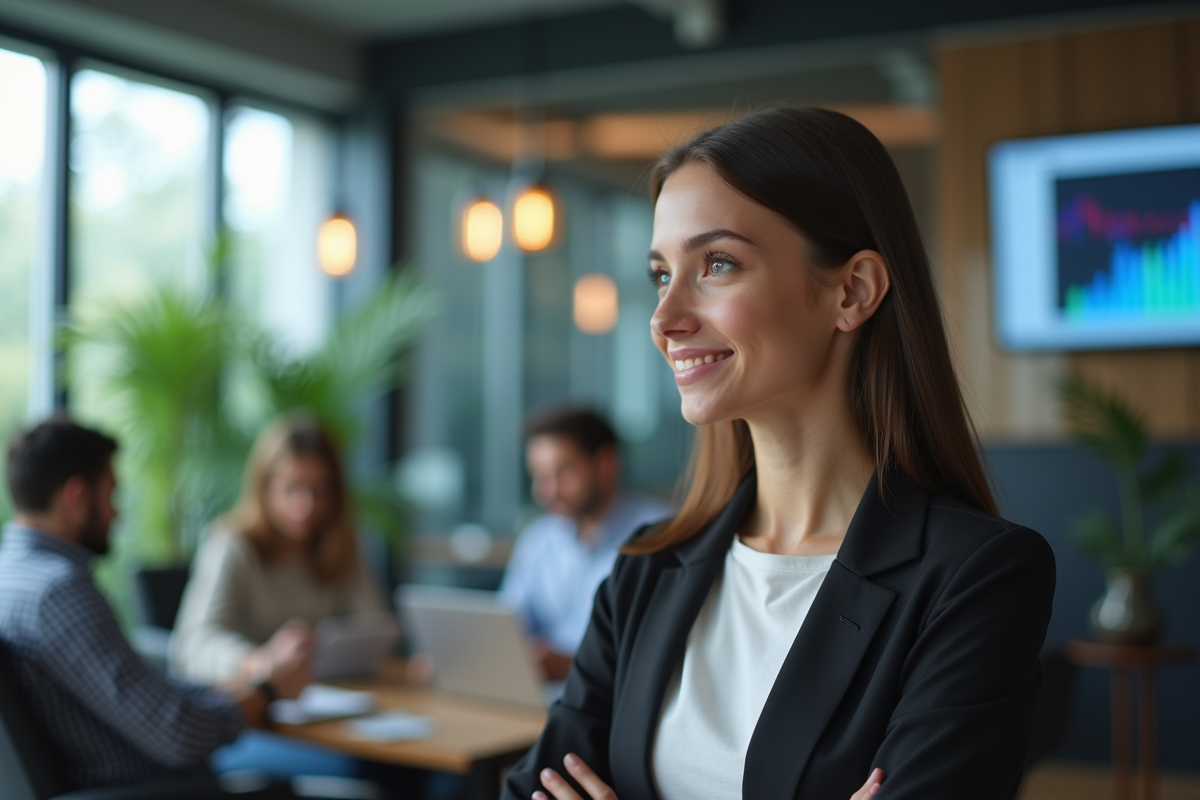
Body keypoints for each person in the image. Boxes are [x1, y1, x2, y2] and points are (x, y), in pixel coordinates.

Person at [502, 107, 1056, 800]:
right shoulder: (646, 570)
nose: (664, 318)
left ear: (851, 291)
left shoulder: (974, 580)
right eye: (659, 273)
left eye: (718, 264)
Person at [0, 416, 309, 791]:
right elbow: (180, 738)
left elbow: (138, 695)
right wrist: (267, 690)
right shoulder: (59, 593)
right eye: (111, 495)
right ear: (77, 497)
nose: (117, 514)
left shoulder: (13, 575)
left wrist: (220, 692)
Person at [171, 413, 391, 686]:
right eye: (291, 489)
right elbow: (192, 646)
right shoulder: (232, 545)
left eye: (319, 490)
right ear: (264, 488)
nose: (306, 505)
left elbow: (374, 629)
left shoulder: (339, 545)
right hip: (249, 705)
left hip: (322, 699)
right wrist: (259, 662)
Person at [499, 408, 670, 681]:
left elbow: (660, 650)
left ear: (605, 463)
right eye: (539, 476)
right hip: (539, 700)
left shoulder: (661, 536)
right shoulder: (538, 539)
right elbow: (510, 625)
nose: (548, 491)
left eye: (563, 472)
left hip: (612, 708)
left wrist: (573, 665)